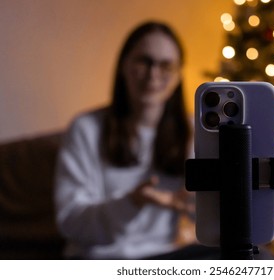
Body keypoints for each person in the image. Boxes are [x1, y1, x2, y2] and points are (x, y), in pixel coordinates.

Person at [54, 21, 213, 259]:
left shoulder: (193, 131)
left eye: (166, 65)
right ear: (123, 66)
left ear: (179, 76)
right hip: (99, 259)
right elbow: (71, 223)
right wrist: (133, 202)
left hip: (162, 259)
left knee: (258, 259)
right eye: (144, 61)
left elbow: (208, 219)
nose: (153, 74)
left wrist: (201, 203)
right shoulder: (87, 129)